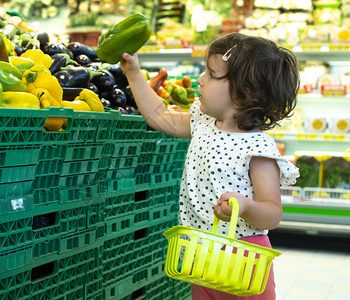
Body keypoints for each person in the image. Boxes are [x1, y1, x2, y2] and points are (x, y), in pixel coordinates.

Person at [120, 32, 300, 300]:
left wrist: (246, 207)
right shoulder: (203, 123)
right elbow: (158, 115)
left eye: (212, 75)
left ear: (245, 91)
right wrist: (133, 72)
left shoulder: (258, 149)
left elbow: (272, 214)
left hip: (242, 258)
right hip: (199, 253)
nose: (200, 80)